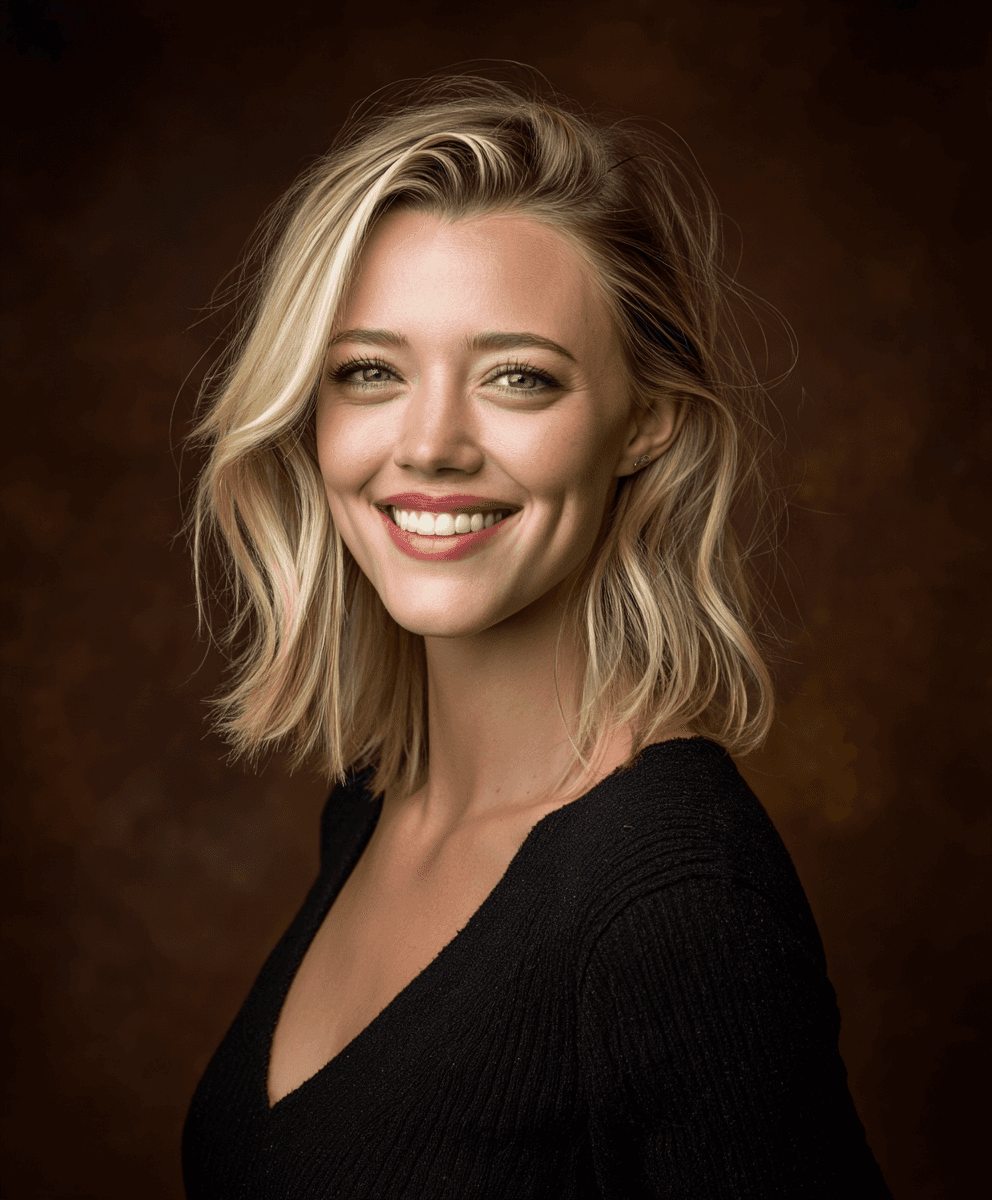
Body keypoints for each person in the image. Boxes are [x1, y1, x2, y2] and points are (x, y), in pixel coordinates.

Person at [181, 72, 891, 1198]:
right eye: (368, 372)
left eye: (517, 377)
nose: (429, 444)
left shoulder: (671, 908)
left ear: (643, 422)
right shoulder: (371, 805)